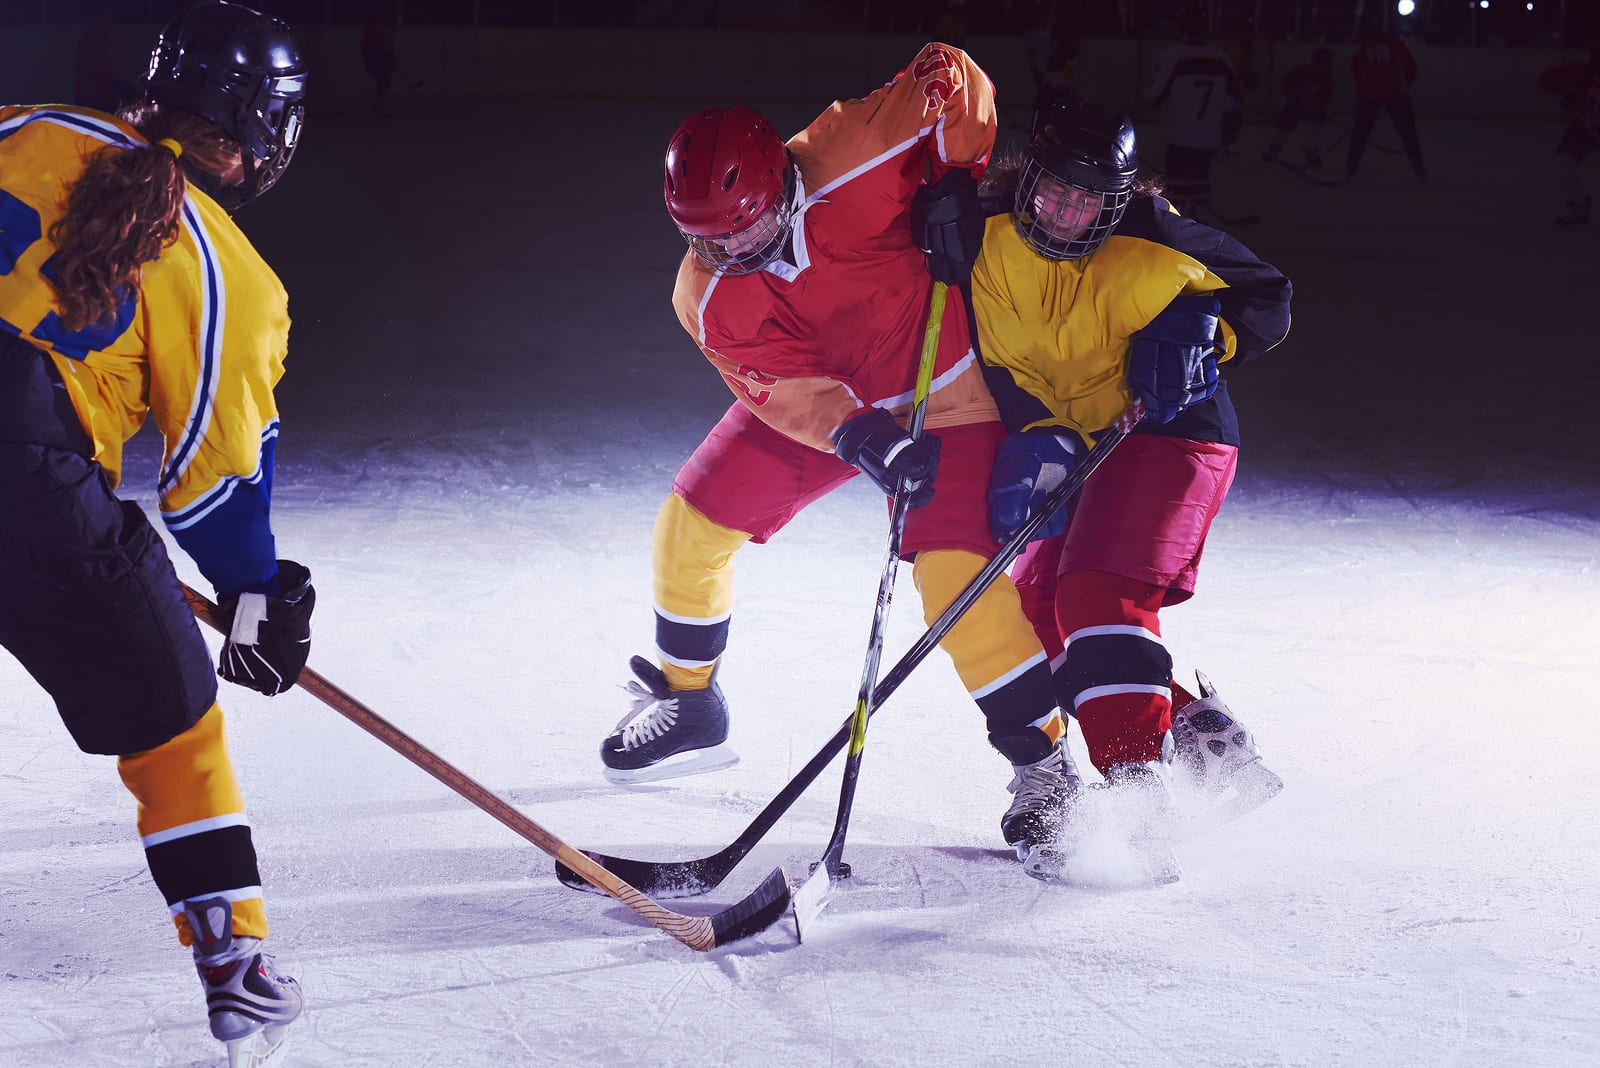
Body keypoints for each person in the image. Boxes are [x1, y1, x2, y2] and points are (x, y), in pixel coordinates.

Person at [605, 44, 1087, 879]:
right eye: (709, 239)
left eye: (749, 225)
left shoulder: (850, 150)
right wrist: (860, 435)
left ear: (780, 185)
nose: (736, 249)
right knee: (692, 523)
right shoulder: (705, 294)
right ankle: (689, 700)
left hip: (955, 396)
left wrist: (955, 175)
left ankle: (1045, 771)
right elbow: (782, 389)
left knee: (953, 585)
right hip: (841, 409)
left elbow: (952, 72)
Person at [0, 2, 312, 1063]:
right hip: (25, 496)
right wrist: (259, 595)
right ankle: (237, 968)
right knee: (175, 725)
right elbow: (213, 493)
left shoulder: (22, 124)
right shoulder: (226, 270)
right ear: (259, 129)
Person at [966, 94, 1292, 881]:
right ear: (1028, 176)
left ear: (1118, 196)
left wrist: (1204, 332)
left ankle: (1140, 797)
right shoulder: (977, 229)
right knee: (1039, 610)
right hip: (1078, 444)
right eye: (1056, 191)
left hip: (1173, 430)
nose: (1071, 212)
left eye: (1091, 198)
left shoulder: (1152, 229)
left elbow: (1268, 299)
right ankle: (1202, 738)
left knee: (1098, 595)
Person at [1143, 5, 1242, 222]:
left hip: (1178, 132)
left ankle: (1177, 224)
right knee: (1200, 177)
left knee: (1177, 183)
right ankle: (1200, 217)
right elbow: (1233, 100)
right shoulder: (1220, 58)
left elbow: (1152, 97)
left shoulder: (1172, 56)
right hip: (1209, 134)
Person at [1344, 20, 1427, 182]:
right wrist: (1403, 87)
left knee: (1360, 132)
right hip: (1395, 94)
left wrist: (1364, 96)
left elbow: (1358, 73)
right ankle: (1418, 167)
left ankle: (1351, 167)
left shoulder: (1363, 50)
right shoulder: (1395, 44)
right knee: (1408, 132)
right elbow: (1411, 68)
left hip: (1371, 95)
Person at [1537, 44, 1600, 227]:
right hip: (1585, 127)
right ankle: (1578, 206)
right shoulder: (1581, 72)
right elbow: (1546, 80)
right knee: (1562, 161)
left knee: (1562, 162)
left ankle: (1578, 206)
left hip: (1587, 125)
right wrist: (1567, 89)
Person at [1262, 47, 1336, 171]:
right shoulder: (1302, 70)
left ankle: (1311, 149)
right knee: (1286, 117)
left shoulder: (1328, 79)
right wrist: (1291, 95)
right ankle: (1275, 146)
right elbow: (1287, 83)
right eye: (1321, 63)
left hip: (1313, 108)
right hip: (1295, 104)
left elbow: (1326, 97)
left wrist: (1314, 104)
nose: (1323, 67)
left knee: (1318, 120)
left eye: (1326, 64)